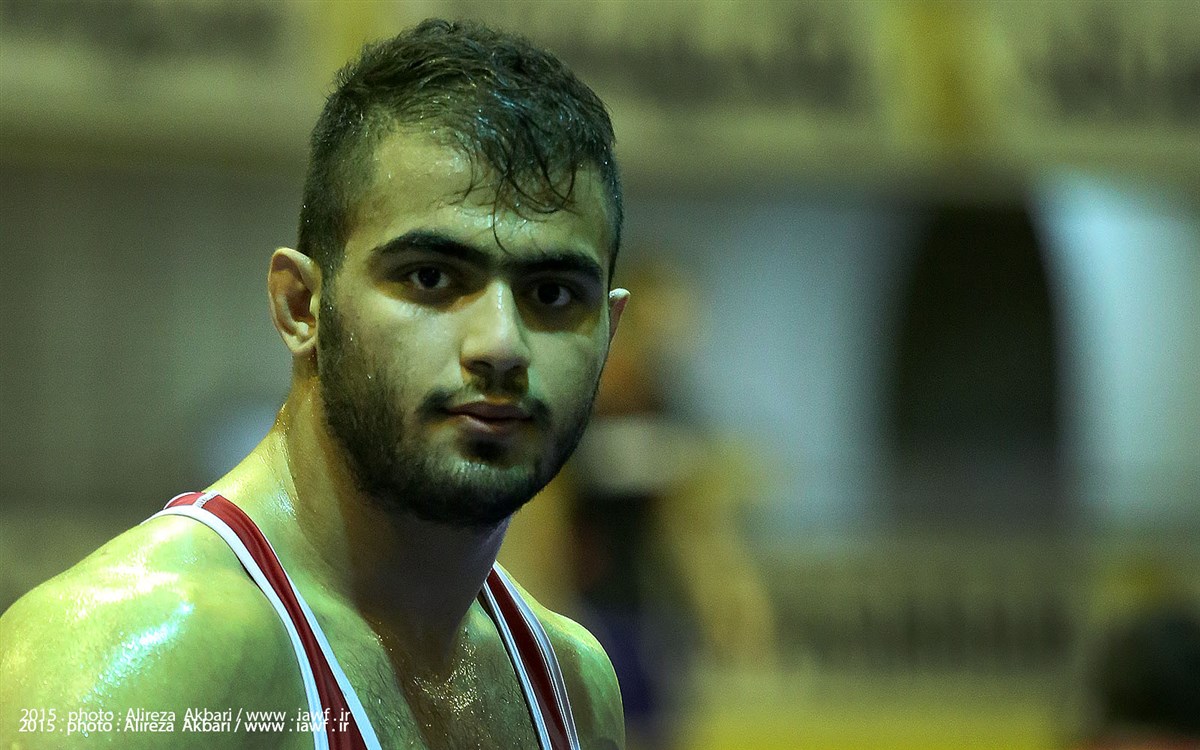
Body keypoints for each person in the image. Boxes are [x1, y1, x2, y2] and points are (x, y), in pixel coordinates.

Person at [1, 19, 629, 750]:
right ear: (301, 306)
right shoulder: (145, 658)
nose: (501, 345)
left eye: (552, 294)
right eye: (431, 277)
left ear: (608, 329)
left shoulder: (574, 685)